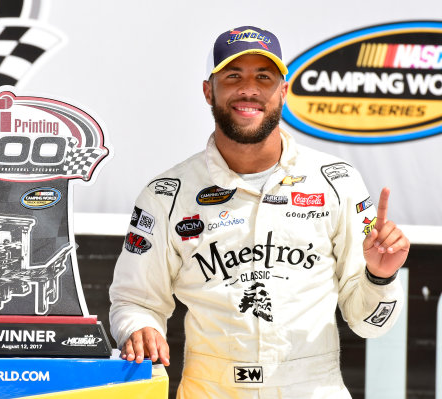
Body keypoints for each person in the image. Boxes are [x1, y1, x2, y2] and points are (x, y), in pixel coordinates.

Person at [109, 25, 410, 398]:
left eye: (263, 77)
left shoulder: (336, 182)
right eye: (233, 76)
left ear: (282, 92)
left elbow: (370, 325)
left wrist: (379, 278)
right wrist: (140, 327)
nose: (248, 89)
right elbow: (134, 301)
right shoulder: (168, 194)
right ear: (208, 91)